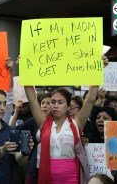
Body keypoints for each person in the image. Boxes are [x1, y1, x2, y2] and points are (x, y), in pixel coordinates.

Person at [24, 55, 108, 184]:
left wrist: (98, 69)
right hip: (47, 175)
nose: (56, 105)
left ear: (68, 106)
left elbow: (91, 98)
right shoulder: (44, 122)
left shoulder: (77, 122)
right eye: (53, 102)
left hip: (71, 177)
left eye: (60, 102)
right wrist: (25, 68)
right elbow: (32, 99)